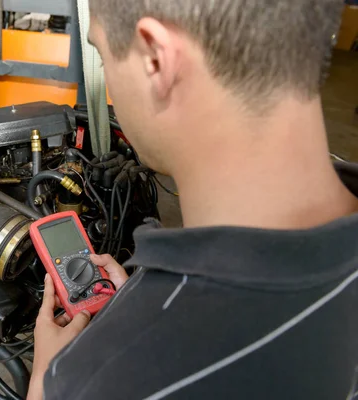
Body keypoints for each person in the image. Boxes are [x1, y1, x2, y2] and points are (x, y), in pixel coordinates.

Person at [27, 1, 358, 399]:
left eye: (103, 55)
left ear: (156, 59)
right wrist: (142, 305)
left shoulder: (100, 380)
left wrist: (52, 382)